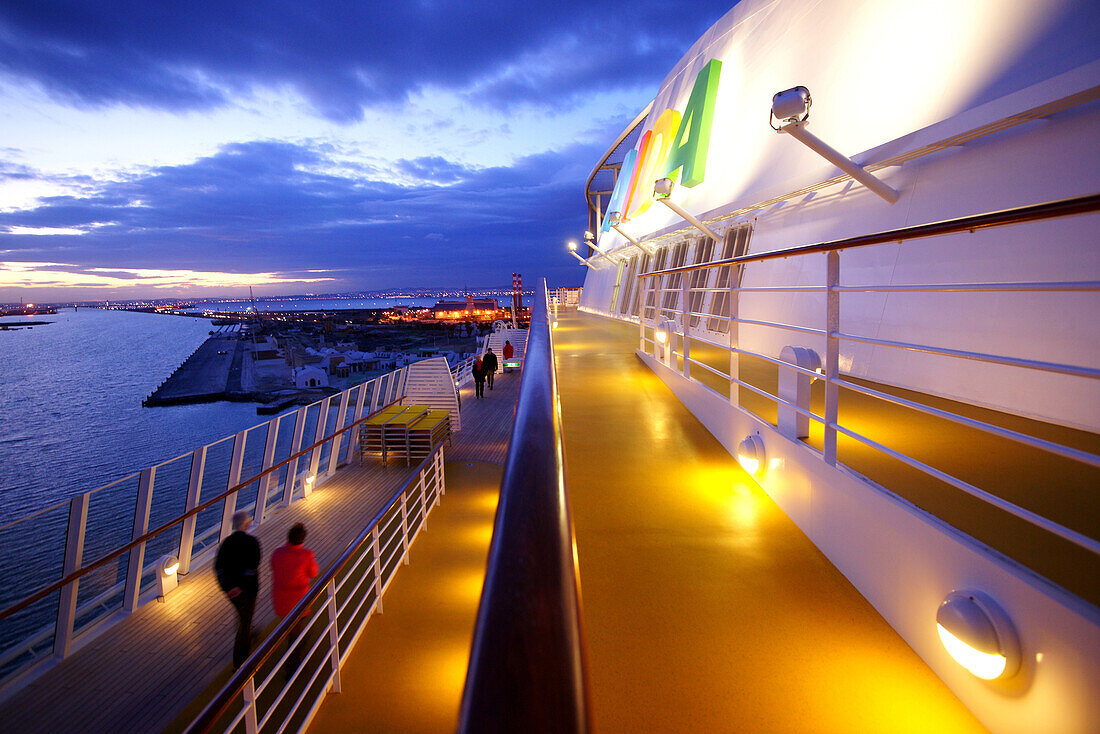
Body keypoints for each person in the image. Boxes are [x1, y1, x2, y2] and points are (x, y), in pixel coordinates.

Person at [215, 511, 261, 670]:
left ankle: (251, 634)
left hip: (232, 593)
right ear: (246, 524)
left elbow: (218, 568)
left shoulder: (226, 544)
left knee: (243, 616)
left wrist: (229, 588)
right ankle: (241, 662)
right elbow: (253, 566)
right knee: (245, 622)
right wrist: (241, 587)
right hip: (248, 591)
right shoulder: (252, 542)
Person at [271, 523, 319, 674]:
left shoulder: (277, 553)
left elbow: (274, 567)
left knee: (292, 629)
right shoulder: (306, 555)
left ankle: (300, 640)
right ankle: (291, 670)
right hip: (299, 603)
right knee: (294, 637)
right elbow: (313, 573)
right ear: (302, 540)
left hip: (280, 601)